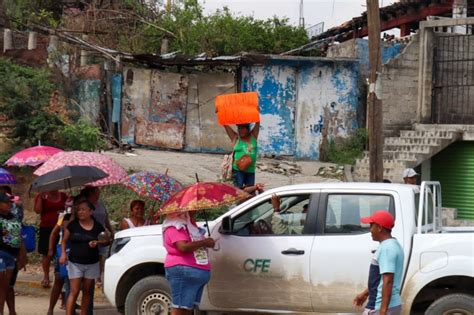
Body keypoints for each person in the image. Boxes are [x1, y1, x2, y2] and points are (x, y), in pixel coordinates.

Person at [59, 199, 108, 315]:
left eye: (83, 210)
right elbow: (64, 241)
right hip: (75, 263)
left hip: (92, 263)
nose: (80, 212)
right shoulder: (72, 225)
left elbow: (105, 241)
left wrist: (98, 243)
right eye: (78, 210)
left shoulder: (98, 226)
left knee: (87, 292)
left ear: (91, 212)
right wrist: (63, 254)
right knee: (74, 291)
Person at [163, 212, 215, 315]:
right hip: (183, 270)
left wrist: (207, 242)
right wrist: (205, 242)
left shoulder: (189, 226)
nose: (193, 210)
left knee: (187, 308)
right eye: (189, 209)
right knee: (180, 309)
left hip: (195, 271)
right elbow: (183, 247)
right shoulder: (175, 225)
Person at [353, 210, 404, 315]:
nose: (370, 230)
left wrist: (383, 311)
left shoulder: (387, 249)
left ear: (379, 228)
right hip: (388, 305)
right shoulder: (392, 244)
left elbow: (388, 281)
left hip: (379, 306)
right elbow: (380, 279)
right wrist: (365, 293)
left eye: (371, 226)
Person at [34, 190, 68, 288]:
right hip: (46, 227)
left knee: (62, 250)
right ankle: (46, 276)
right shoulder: (42, 196)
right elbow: (37, 210)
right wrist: (40, 197)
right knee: (46, 253)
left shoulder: (63, 195)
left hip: (60, 227)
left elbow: (67, 209)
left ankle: (60, 274)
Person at [80, 186, 113, 289]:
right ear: (91, 193)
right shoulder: (85, 206)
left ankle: (99, 278)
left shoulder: (101, 204)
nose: (99, 192)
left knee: (102, 256)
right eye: (97, 191)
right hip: (90, 233)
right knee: (93, 256)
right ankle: (91, 278)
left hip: (102, 234)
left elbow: (106, 218)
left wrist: (111, 230)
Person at [0, 193, 25, 315]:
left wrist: (23, 255)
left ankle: (11, 311)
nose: (9, 204)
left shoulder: (14, 217)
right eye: (6, 202)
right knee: (1, 285)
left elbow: (19, 236)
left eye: (10, 202)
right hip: (1, 252)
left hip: (12, 254)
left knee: (7, 286)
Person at [223, 122, 260, 189]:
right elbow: (225, 125)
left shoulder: (253, 136)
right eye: (239, 128)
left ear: (247, 129)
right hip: (238, 171)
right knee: (238, 190)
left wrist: (257, 113)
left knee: (250, 191)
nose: (240, 130)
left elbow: (257, 124)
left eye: (242, 128)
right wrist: (220, 113)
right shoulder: (235, 138)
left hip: (250, 170)